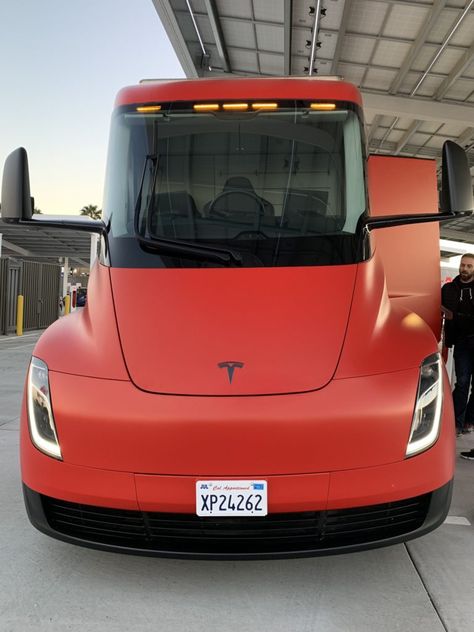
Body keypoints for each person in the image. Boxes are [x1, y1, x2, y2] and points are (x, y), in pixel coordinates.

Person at [442, 253, 474, 436]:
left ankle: (469, 420)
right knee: (462, 383)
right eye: (463, 265)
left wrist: (458, 316)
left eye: (469, 266)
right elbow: (440, 309)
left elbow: (454, 314)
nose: (465, 269)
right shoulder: (449, 288)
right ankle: (456, 423)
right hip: (462, 341)